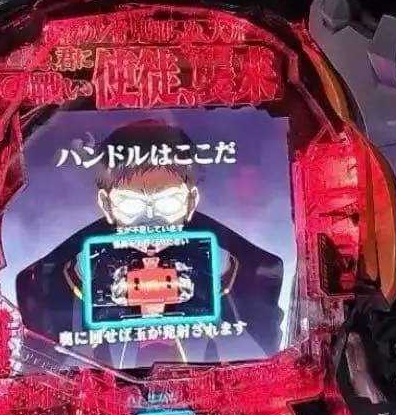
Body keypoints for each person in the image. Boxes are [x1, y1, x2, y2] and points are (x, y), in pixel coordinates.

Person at [15, 119, 285, 368]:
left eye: (168, 201)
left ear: (191, 201)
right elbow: (43, 365)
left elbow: (266, 356)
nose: (150, 219)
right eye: (130, 203)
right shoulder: (50, 279)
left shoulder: (248, 271)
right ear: (106, 204)